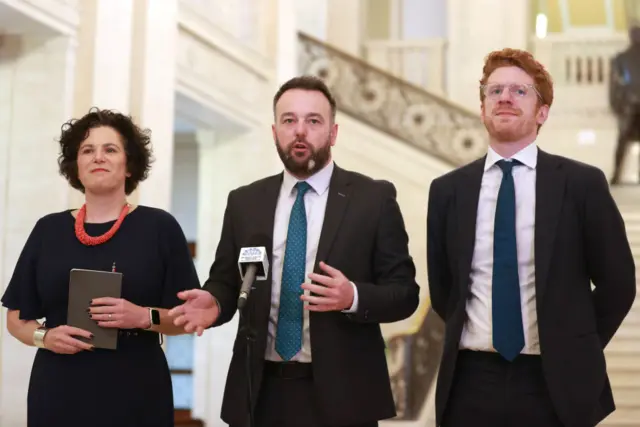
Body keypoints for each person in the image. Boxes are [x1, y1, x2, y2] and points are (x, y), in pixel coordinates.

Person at [169, 75, 420, 427]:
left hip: (344, 394)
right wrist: (215, 302)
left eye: (313, 121)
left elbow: (405, 294)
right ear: (275, 132)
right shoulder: (245, 201)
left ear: (333, 133)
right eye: (289, 120)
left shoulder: (373, 200)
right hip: (261, 391)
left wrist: (353, 296)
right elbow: (228, 281)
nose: (299, 131)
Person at [426, 48, 636, 427]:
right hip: (471, 382)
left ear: (542, 112)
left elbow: (618, 283)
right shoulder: (448, 190)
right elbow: (444, 289)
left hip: (552, 382)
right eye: (494, 91)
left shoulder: (581, 184)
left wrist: (574, 345)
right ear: (483, 107)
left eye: (519, 91)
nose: (504, 97)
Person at [2, 108, 200, 427]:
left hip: (136, 383)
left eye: (110, 149)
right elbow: (15, 318)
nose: (98, 157)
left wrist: (142, 316)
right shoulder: (48, 230)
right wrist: (44, 336)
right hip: (57, 385)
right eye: (87, 150)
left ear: (130, 165)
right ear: (75, 167)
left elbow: (187, 318)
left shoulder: (159, 227)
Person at [609, 24, 640, 185]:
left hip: (629, 107)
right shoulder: (621, 59)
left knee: (622, 142)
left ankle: (616, 175)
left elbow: (615, 85)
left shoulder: (621, 58)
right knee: (622, 143)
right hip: (628, 107)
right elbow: (614, 85)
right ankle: (616, 174)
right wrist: (615, 105)